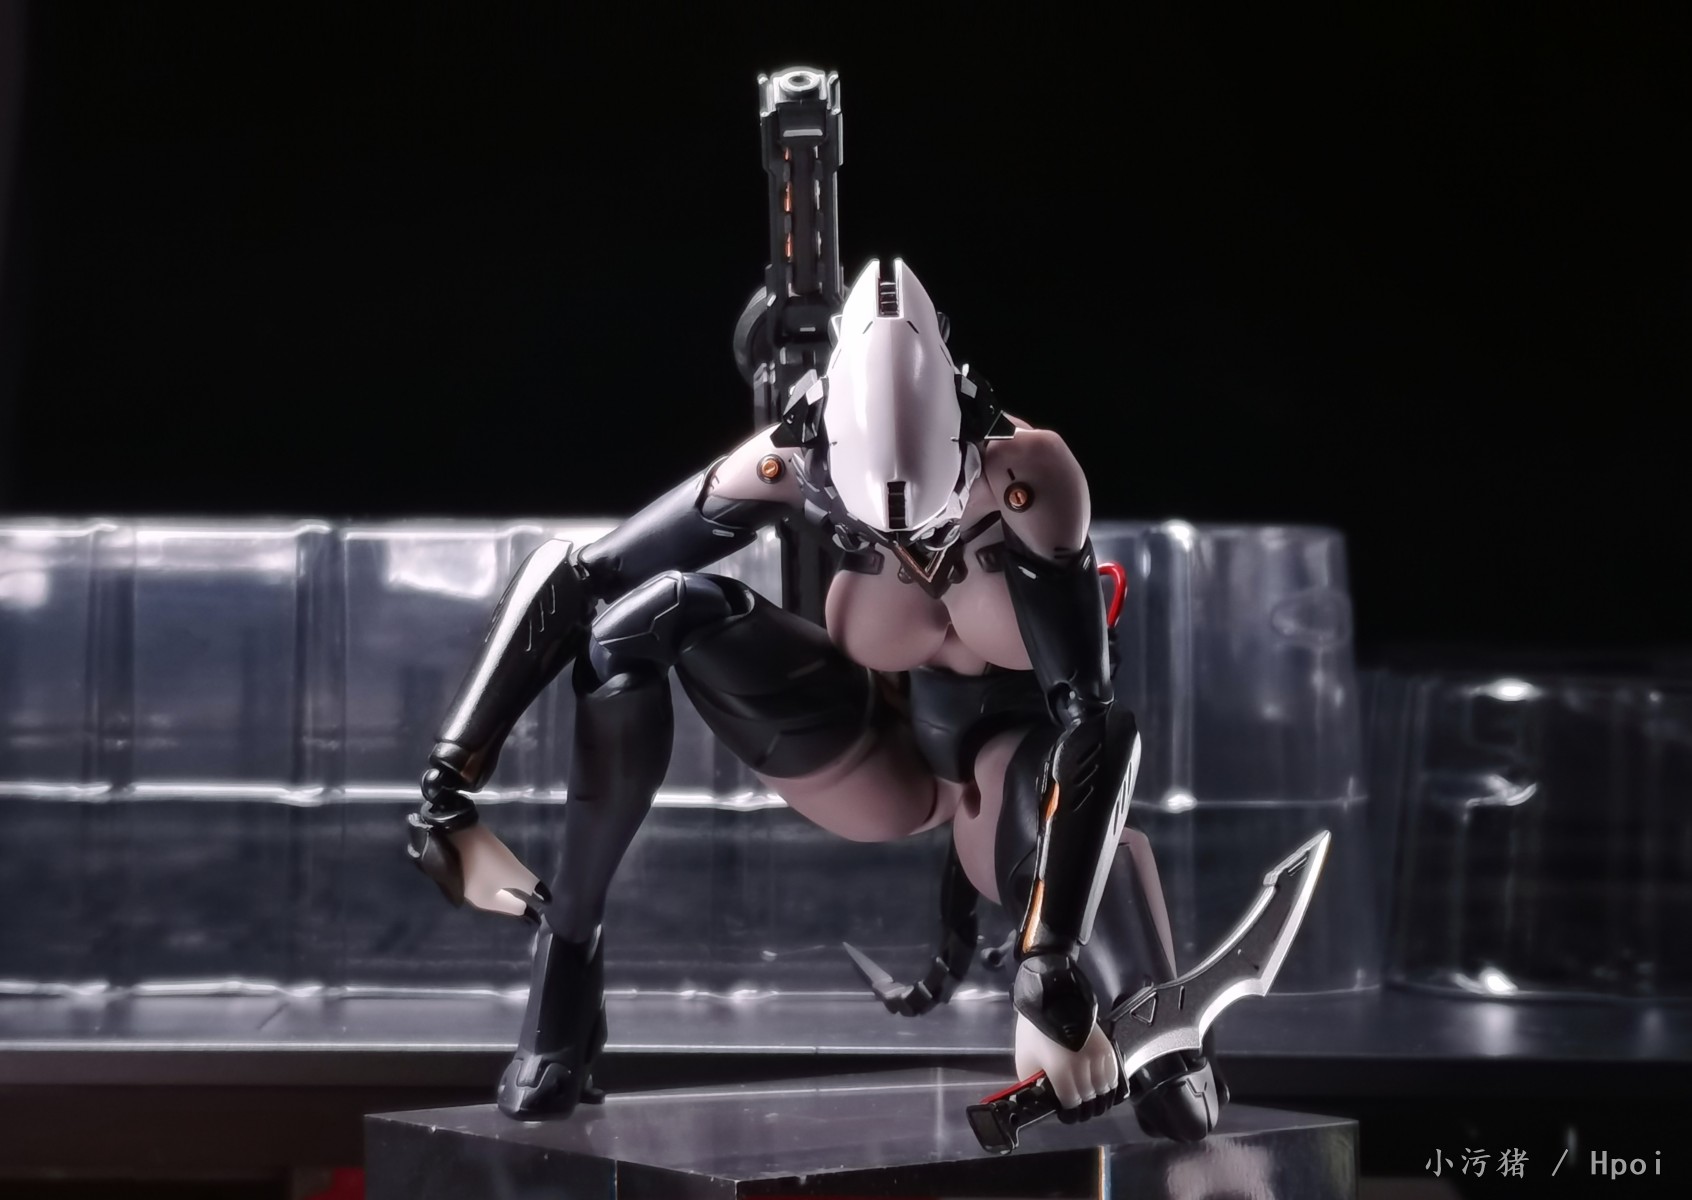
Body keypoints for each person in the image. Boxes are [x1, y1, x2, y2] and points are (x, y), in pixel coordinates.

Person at [407, 258, 1224, 1139]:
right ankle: (569, 950)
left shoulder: (1030, 476)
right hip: (873, 750)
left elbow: (1090, 722)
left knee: (1173, 1101)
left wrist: (1048, 958)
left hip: (1014, 781)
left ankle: (1157, 1024)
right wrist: (448, 787)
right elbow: (584, 576)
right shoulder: (795, 457)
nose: (911, 543)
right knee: (646, 620)